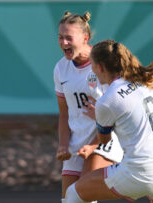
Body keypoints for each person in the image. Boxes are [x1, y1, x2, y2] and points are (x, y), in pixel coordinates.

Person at [64, 40, 153, 203]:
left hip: (141, 171)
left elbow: (105, 141)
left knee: (73, 194)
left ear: (100, 67)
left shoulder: (107, 100)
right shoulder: (147, 81)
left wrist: (99, 119)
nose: (91, 70)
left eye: (92, 65)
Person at [53, 12, 123, 203]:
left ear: (85, 38)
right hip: (77, 145)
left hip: (104, 140)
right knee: (69, 200)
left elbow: (117, 109)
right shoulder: (60, 69)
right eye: (60, 37)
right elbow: (64, 112)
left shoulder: (102, 65)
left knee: (82, 197)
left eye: (69, 38)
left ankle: (129, 189)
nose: (64, 42)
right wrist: (63, 145)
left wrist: (94, 143)